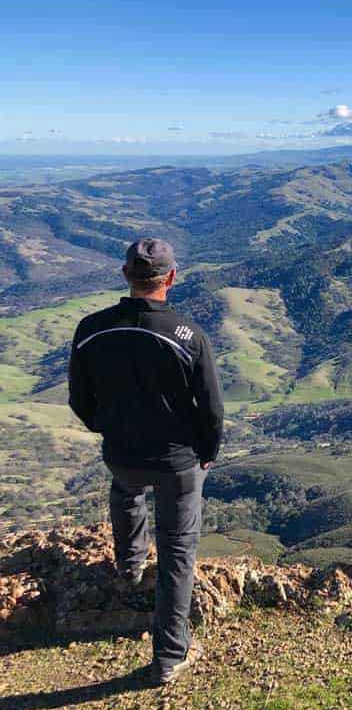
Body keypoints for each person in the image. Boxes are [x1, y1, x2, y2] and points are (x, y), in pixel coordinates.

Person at [68, 238, 223, 685]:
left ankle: (130, 563)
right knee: (177, 550)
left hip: (122, 454)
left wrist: (108, 428)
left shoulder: (90, 329)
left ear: (125, 275)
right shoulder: (188, 336)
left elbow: (80, 400)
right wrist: (208, 452)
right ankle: (171, 655)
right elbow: (212, 410)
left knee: (126, 490)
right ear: (171, 277)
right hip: (178, 463)